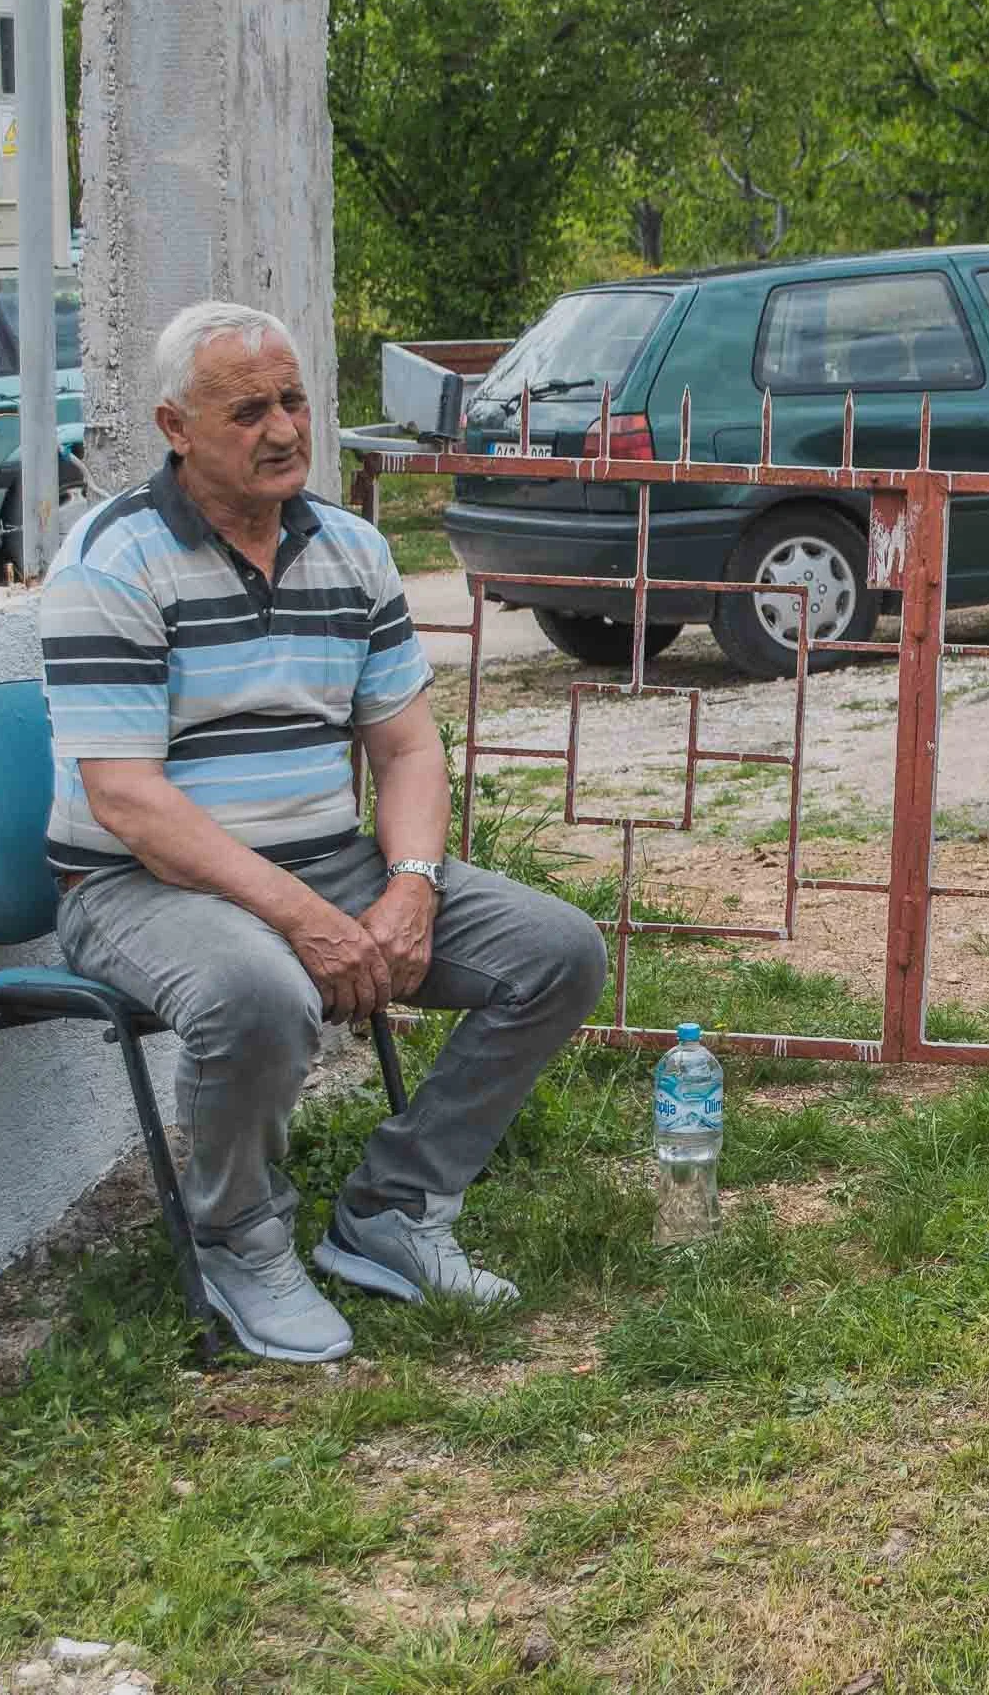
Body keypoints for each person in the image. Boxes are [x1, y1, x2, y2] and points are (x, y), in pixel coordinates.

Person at [38, 301, 608, 1364]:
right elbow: (128, 801)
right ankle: (239, 1238)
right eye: (246, 409)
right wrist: (309, 922)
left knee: (556, 953)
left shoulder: (350, 548)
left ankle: (394, 1209)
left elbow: (406, 749)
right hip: (140, 887)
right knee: (261, 987)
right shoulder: (110, 563)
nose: (283, 429)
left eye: (293, 400)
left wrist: (411, 885)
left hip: (328, 861)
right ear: (175, 425)